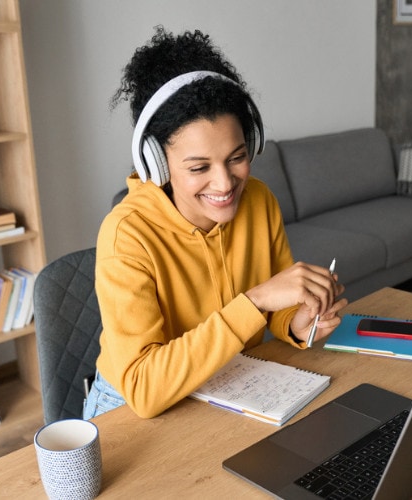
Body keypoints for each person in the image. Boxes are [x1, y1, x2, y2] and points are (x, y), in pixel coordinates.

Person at [84, 27, 347, 420]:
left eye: (237, 157)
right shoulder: (127, 235)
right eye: (199, 167)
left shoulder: (258, 200)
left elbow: (276, 309)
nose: (225, 183)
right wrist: (255, 301)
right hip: (133, 407)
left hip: (230, 382)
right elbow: (144, 387)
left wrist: (297, 322)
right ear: (157, 166)